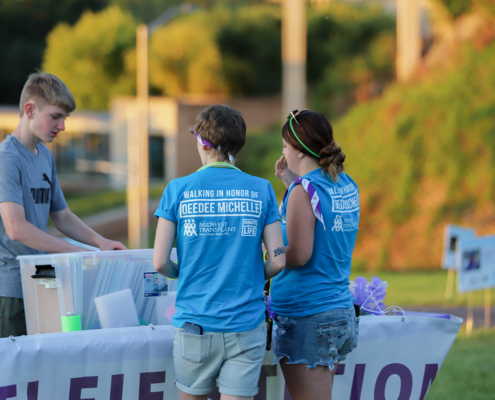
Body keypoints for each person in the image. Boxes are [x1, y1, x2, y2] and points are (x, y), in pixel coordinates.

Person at [153, 104, 285, 400]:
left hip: (195, 325)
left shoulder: (178, 189)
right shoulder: (261, 189)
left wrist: (182, 274)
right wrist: (252, 275)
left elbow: (160, 261)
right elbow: (278, 260)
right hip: (246, 325)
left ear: (202, 141)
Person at [0, 72, 127, 338]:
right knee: (12, 376)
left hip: (41, 281)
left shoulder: (45, 155)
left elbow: (62, 216)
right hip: (9, 288)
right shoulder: (7, 159)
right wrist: (72, 252)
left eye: (65, 119)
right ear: (30, 110)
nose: (62, 126)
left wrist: (98, 242)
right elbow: (16, 229)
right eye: (56, 116)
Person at [269, 109, 360, 400]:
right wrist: (290, 184)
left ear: (297, 150)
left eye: (285, 145)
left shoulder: (303, 191)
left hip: (308, 314)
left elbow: (298, 255)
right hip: (338, 309)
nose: (282, 151)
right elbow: (324, 229)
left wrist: (268, 254)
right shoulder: (345, 183)